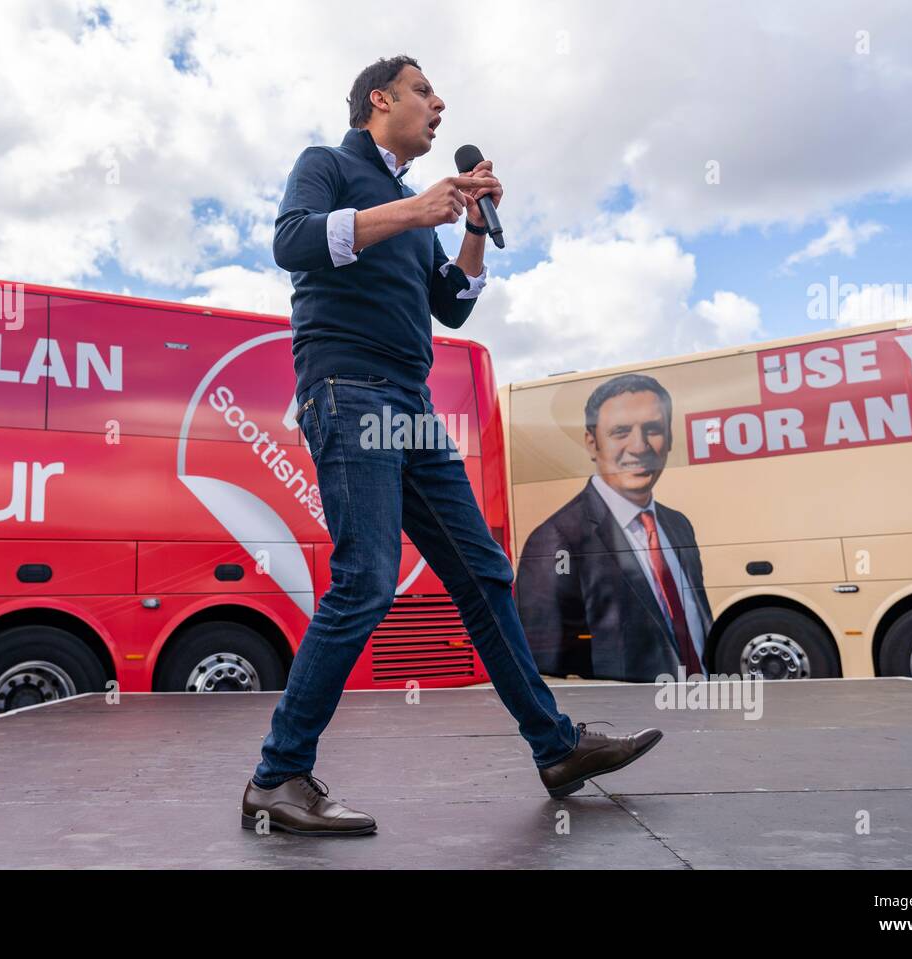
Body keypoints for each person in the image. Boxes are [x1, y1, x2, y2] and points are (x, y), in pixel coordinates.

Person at [242, 55, 662, 837]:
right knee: (365, 580)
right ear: (381, 98)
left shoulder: (414, 202)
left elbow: (453, 305)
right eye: (424, 92)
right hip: (349, 389)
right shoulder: (328, 165)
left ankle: (557, 746)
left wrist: (469, 226)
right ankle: (277, 776)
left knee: (484, 572)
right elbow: (291, 243)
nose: (439, 106)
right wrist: (416, 211)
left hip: (410, 405)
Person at [517, 373, 714, 682]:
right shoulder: (555, 539)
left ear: (670, 438)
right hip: (631, 718)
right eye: (621, 432)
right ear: (592, 443)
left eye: (653, 429)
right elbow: (548, 667)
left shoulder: (678, 525)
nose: (639, 446)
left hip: (698, 709)